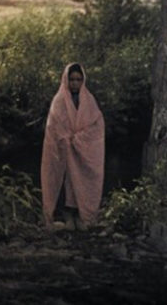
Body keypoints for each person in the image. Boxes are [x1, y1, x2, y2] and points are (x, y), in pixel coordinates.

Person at [40, 62, 104, 231]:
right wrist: (66, 140)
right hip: (64, 151)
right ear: (66, 80)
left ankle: (81, 214)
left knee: (82, 179)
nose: (75, 83)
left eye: (79, 79)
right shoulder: (59, 101)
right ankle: (64, 214)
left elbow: (97, 125)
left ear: (83, 80)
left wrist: (79, 140)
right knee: (64, 179)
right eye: (72, 79)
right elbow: (54, 126)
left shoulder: (89, 100)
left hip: (82, 151)